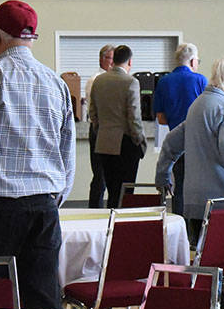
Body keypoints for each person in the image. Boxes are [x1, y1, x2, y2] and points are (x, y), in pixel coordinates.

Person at [0, 0, 75, 309]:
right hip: (45, 204)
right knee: (43, 294)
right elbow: (66, 152)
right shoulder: (56, 83)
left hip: (1, 207)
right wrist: (54, 196)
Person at [156, 55, 224, 230]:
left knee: (203, 255)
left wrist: (163, 174)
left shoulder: (198, 105)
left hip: (196, 202)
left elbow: (172, 141)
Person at [152, 42, 206, 216]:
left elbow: (160, 119)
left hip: (176, 142)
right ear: (192, 61)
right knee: (199, 188)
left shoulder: (163, 81)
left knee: (179, 188)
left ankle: (179, 225)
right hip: (198, 144)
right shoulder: (200, 80)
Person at [89, 44, 145, 208]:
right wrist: (140, 141)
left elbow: (93, 113)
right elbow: (134, 117)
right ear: (130, 61)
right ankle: (122, 229)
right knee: (126, 193)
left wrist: (101, 131)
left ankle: (109, 225)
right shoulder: (131, 82)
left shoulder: (98, 81)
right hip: (125, 144)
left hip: (104, 143)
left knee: (112, 191)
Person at [85, 44, 116, 207]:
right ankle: (94, 210)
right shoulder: (95, 79)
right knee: (100, 175)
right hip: (99, 129)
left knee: (113, 175)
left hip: (113, 131)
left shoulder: (118, 80)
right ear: (102, 59)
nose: (113, 62)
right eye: (111, 58)